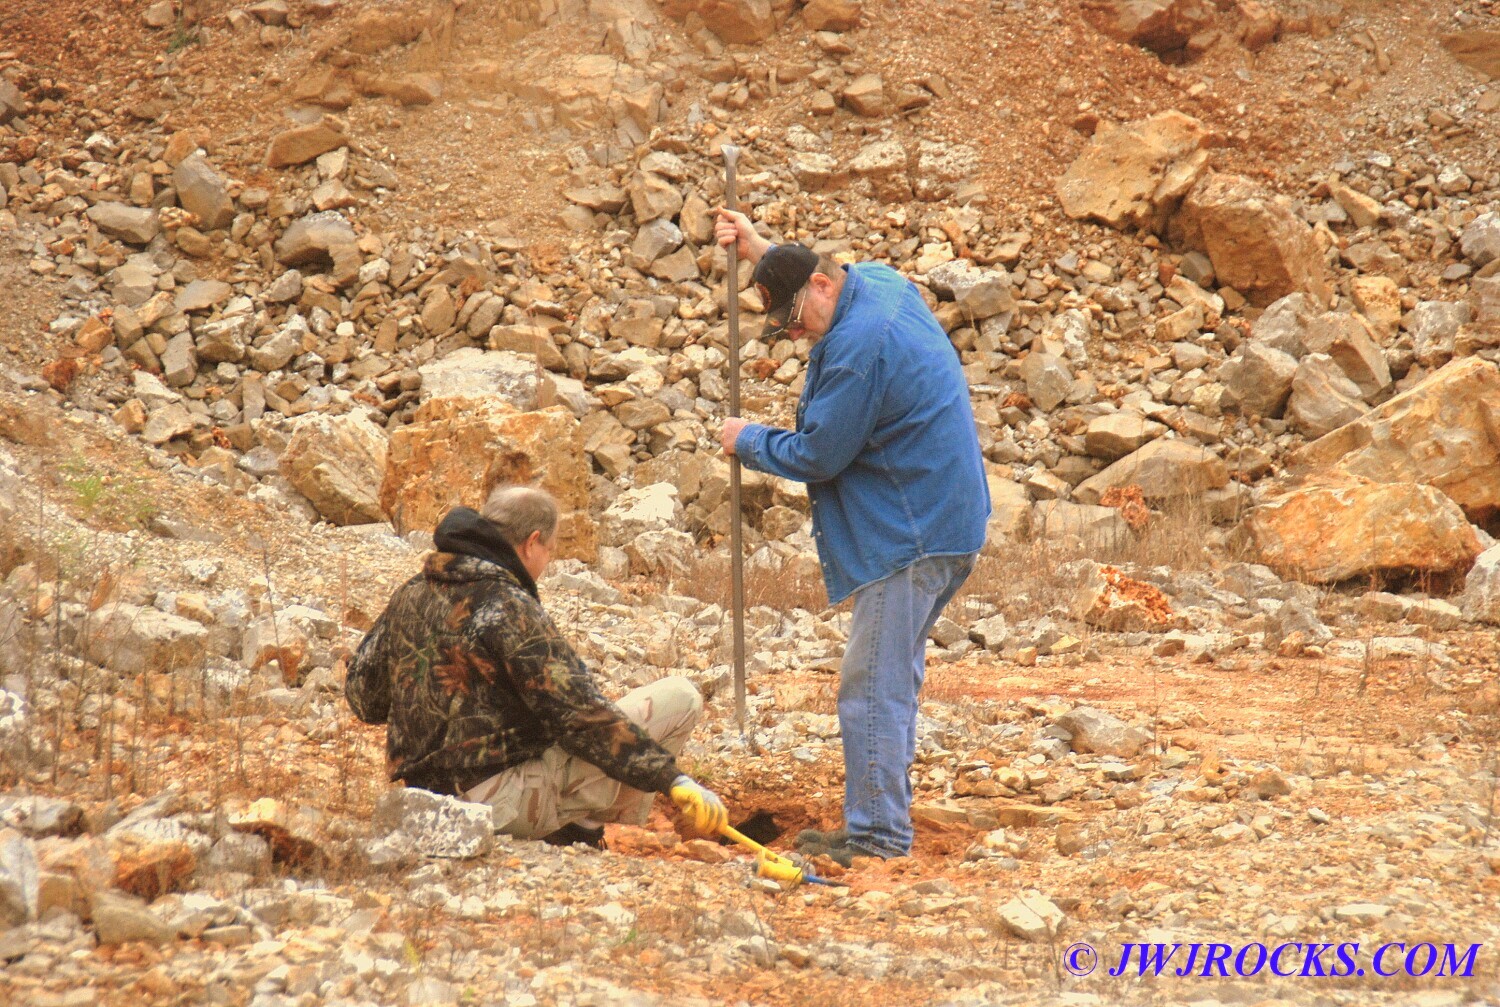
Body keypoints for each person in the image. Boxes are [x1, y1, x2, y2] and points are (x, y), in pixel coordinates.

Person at [714, 209, 991, 866]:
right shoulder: (877, 282)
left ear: (821, 286)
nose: (793, 335)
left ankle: (877, 839)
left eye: (793, 319)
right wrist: (759, 249)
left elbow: (819, 454)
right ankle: (878, 819)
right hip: (945, 518)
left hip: (911, 534)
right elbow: (806, 270)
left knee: (871, 688)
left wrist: (746, 439)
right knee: (889, 679)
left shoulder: (858, 349)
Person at [345, 485, 728, 847]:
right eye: (549, 550)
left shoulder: (412, 591)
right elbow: (580, 716)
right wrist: (670, 778)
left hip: (420, 800)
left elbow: (364, 700)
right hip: (497, 806)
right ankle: (581, 834)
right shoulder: (508, 605)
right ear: (531, 543)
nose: (546, 562)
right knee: (681, 698)